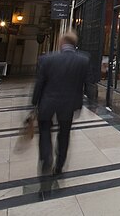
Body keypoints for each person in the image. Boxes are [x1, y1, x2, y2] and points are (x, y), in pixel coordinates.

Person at [32, 30, 89, 175]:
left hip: (48, 102)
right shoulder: (83, 60)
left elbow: (40, 83)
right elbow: (87, 84)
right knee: (64, 134)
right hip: (69, 104)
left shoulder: (47, 59)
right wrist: (88, 102)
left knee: (44, 131)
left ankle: (46, 158)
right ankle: (59, 165)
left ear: (61, 43)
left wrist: (34, 103)